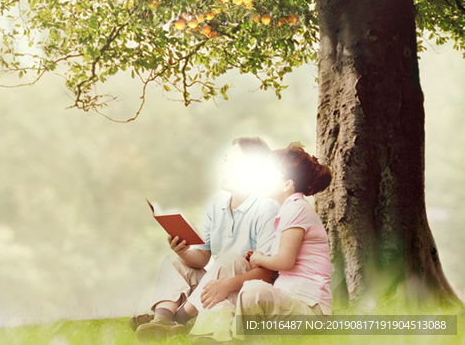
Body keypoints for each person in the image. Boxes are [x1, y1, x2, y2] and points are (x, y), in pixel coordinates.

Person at [133, 138, 280, 341]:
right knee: (173, 261)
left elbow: (266, 272)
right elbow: (202, 259)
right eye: (226, 160)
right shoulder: (216, 205)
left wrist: (228, 284)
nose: (224, 167)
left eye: (234, 164)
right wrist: (182, 251)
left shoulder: (267, 209)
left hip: (242, 291)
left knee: (231, 259)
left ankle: (181, 318)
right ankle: (162, 319)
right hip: (214, 287)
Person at [187, 142, 333, 342]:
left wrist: (261, 259)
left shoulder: (296, 208)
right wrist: (260, 257)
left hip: (310, 311)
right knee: (230, 266)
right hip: (287, 301)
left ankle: (234, 338)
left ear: (287, 185)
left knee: (252, 289)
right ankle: (214, 334)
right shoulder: (287, 209)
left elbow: (284, 262)